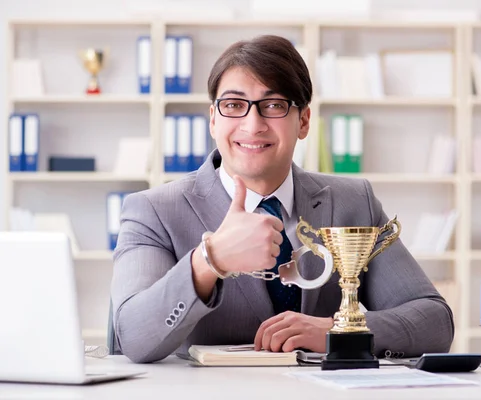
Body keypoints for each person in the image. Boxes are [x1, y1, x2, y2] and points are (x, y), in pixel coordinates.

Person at [110, 35, 454, 364]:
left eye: (273, 105)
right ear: (213, 119)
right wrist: (209, 259)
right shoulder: (153, 210)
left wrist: (340, 332)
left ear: (303, 121)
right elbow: (134, 337)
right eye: (233, 105)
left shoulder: (354, 202)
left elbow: (435, 321)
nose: (252, 124)